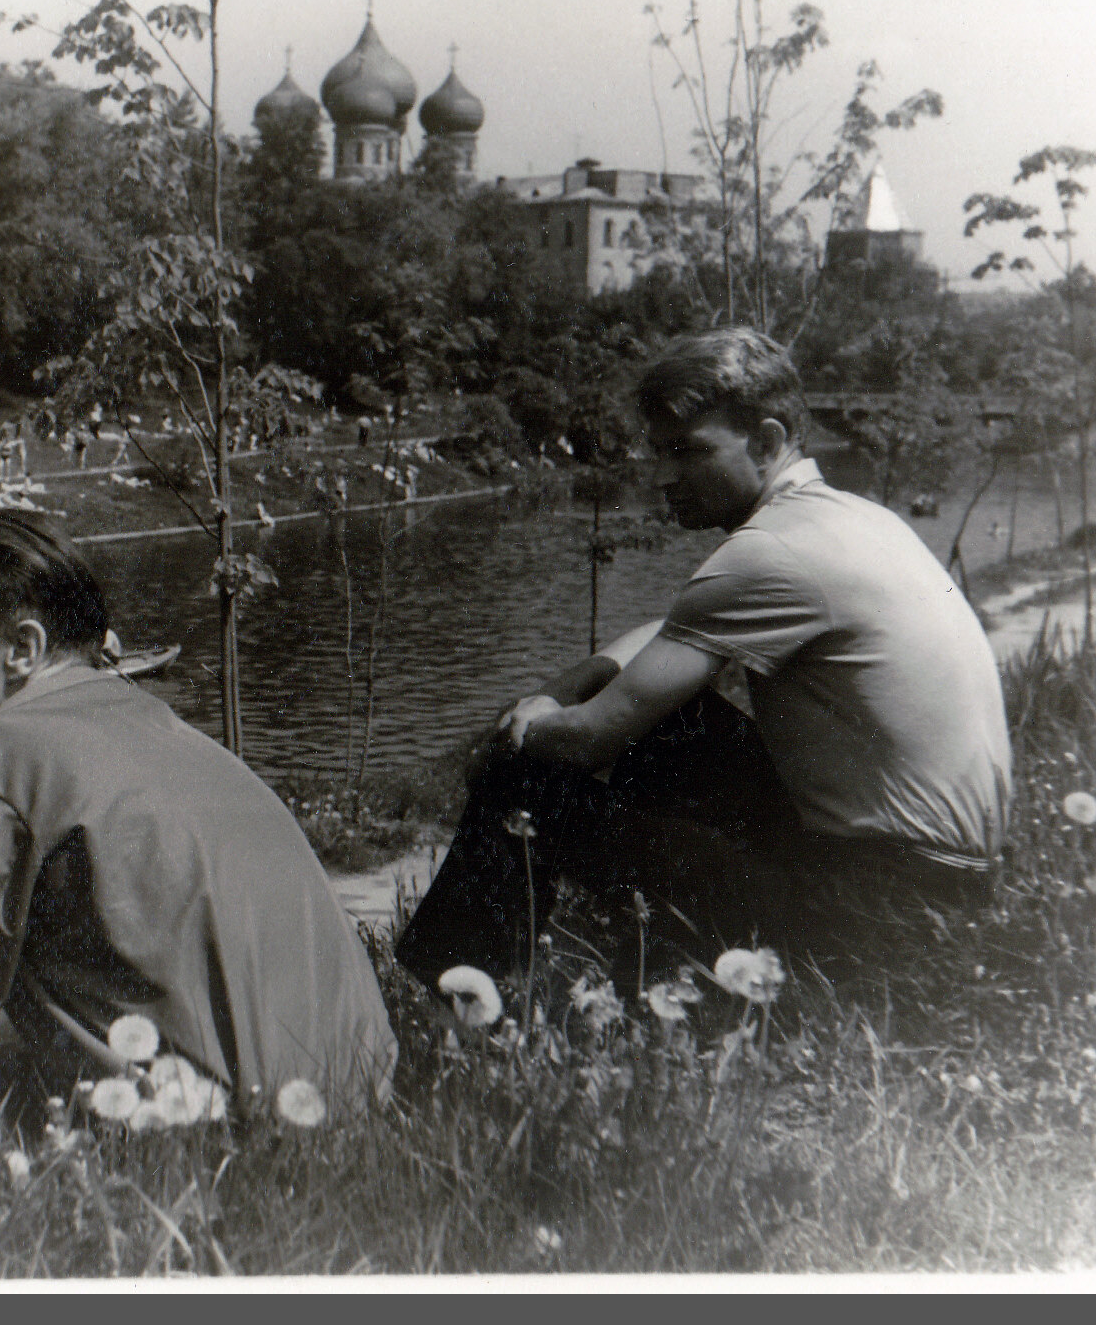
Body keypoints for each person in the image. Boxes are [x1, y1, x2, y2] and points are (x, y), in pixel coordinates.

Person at [395, 328, 1013, 986]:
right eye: (659, 452)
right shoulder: (853, 520)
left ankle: (457, 1008)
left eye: (688, 452)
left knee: (526, 771)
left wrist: (523, 727)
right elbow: (672, 630)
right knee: (673, 719)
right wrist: (555, 692)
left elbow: (589, 737)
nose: (664, 476)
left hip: (875, 909)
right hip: (946, 891)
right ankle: (644, 971)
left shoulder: (769, 552)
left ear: (768, 441)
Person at [0, 510, 396, 1130]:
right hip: (349, 1116)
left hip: (201, 1142)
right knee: (16, 1067)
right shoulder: (153, 726)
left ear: (22, 648)